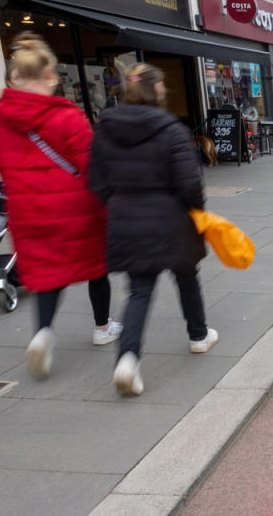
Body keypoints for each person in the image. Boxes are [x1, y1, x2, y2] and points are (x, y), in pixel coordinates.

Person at [0, 31, 122, 380]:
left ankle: (43, 333)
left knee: (49, 276)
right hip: (77, 210)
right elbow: (94, 167)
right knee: (97, 268)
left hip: (28, 213)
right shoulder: (66, 116)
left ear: (15, 78)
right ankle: (102, 326)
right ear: (50, 76)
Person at [89, 63, 216, 395]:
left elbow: (97, 182)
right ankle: (198, 336)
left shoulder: (105, 129)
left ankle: (128, 360)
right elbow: (190, 184)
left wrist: (119, 205)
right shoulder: (171, 129)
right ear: (157, 90)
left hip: (127, 219)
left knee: (139, 291)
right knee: (187, 277)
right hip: (172, 218)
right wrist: (198, 214)